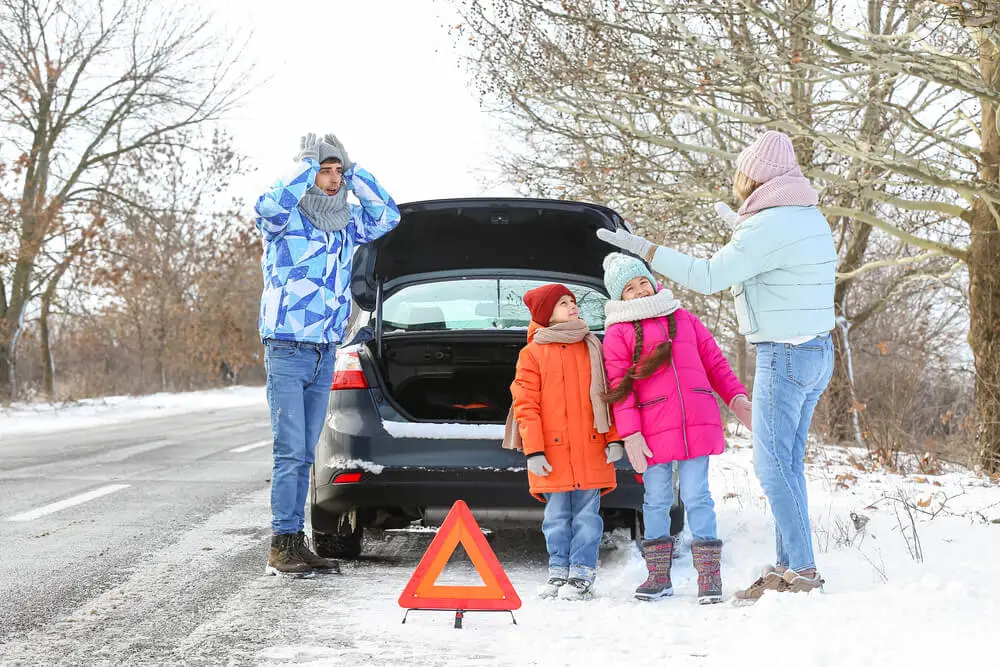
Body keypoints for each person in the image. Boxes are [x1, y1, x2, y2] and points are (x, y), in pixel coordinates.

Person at [597, 130, 837, 599]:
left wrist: (646, 250)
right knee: (789, 464)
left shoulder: (767, 226)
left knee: (772, 469)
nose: (738, 181)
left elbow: (708, 277)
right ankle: (791, 566)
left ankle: (803, 569)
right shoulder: (808, 215)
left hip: (784, 354)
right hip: (817, 353)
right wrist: (738, 226)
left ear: (757, 177)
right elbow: (775, 262)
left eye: (743, 174)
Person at [254, 132, 400, 577]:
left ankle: (296, 544)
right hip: (287, 347)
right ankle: (282, 543)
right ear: (309, 172)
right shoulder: (285, 221)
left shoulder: (346, 223)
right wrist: (305, 163)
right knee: (291, 451)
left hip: (324, 350)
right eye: (326, 170)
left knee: (307, 452)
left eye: (338, 171)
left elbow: (387, 216)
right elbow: (268, 204)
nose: (333, 179)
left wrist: (356, 173)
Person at [601, 253, 751, 603]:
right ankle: (658, 576)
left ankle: (709, 578)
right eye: (629, 288)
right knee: (655, 500)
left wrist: (736, 397)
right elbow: (620, 389)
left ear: (652, 282)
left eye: (642, 283)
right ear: (618, 297)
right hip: (652, 430)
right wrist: (631, 433)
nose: (639, 291)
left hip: (697, 422)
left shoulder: (683, 318)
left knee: (698, 496)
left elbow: (715, 363)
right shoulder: (619, 334)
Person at [505, 284, 624, 600]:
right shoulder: (532, 353)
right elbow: (526, 405)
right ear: (546, 314)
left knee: (587, 517)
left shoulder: (592, 347)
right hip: (552, 451)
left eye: (572, 301)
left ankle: (582, 574)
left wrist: (614, 439)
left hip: (592, 447)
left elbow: (608, 397)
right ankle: (558, 572)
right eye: (562, 303)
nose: (572, 306)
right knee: (556, 517)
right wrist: (533, 450)